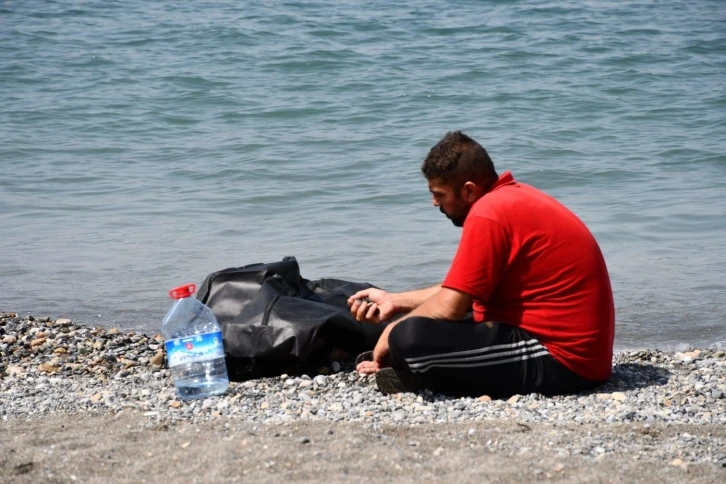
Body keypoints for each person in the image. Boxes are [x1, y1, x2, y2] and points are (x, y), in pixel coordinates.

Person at [348, 131, 615, 397]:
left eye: (439, 194)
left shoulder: (488, 214)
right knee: (446, 317)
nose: (434, 203)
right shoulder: (509, 199)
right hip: (569, 349)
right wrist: (396, 302)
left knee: (408, 337)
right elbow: (461, 289)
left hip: (564, 360)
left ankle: (417, 377)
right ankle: (419, 367)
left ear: (468, 191)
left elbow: (449, 308)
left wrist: (392, 331)